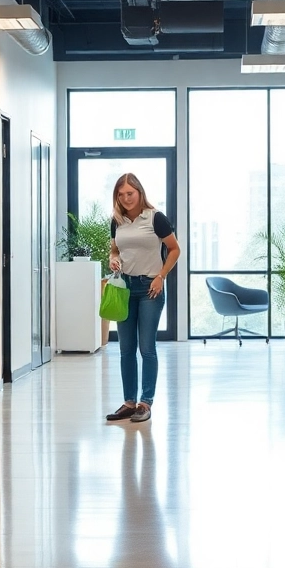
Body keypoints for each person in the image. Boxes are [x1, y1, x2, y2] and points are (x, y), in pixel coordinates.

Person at [105, 173, 180, 424]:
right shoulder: (117, 221)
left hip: (150, 288)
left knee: (146, 348)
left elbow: (174, 249)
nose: (125, 198)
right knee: (126, 349)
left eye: (130, 193)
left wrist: (161, 276)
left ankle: (145, 403)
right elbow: (115, 249)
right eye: (121, 194)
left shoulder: (155, 218)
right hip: (124, 287)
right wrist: (113, 259)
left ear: (139, 192)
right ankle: (128, 403)